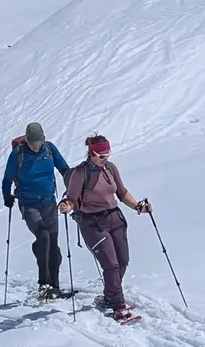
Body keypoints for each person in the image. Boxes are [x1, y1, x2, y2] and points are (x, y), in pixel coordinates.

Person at [59, 133, 149, 321]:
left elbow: (122, 193)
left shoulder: (111, 168)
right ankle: (118, 305)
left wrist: (139, 206)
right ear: (91, 154)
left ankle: (110, 295)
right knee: (111, 264)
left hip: (115, 218)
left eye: (107, 155)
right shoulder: (80, 173)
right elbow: (72, 199)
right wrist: (67, 206)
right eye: (101, 156)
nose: (105, 159)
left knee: (123, 261)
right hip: (92, 222)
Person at [2, 122, 71, 300]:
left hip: (49, 202)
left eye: (38, 143)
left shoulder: (49, 149)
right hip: (29, 204)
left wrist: (73, 188)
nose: (35, 147)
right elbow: (7, 178)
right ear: (26, 140)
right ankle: (44, 285)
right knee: (43, 236)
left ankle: (55, 287)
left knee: (53, 244)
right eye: (32, 143)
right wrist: (7, 196)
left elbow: (64, 169)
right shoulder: (18, 154)